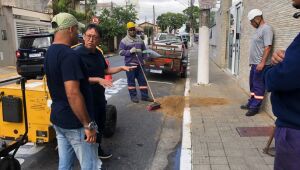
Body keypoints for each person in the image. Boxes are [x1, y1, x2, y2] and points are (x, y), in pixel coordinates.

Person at [44, 13, 101, 169]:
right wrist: (87, 125)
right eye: (77, 30)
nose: (78, 34)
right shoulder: (69, 55)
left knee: (65, 164)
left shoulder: (49, 52)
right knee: (89, 165)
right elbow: (73, 93)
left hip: (58, 118)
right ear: (70, 29)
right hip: (75, 123)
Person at [73, 24, 136, 159]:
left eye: (95, 37)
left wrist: (122, 68)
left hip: (99, 97)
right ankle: (88, 155)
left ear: (99, 39)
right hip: (85, 99)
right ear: (83, 37)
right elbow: (76, 79)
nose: (91, 39)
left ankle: (97, 148)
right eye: (89, 36)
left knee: (100, 124)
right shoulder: (76, 55)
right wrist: (98, 80)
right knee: (89, 126)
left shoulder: (98, 54)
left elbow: (105, 71)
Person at [264, 0, 300, 169]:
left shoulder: (265, 30)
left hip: (295, 133)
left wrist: (270, 68)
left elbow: (278, 79)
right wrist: (285, 59)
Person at [240, 9, 273, 116]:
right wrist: (252, 61)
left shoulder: (266, 29)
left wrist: (262, 63)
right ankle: (251, 103)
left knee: (258, 86)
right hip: (255, 64)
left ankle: (255, 107)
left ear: (257, 19)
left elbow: (268, 47)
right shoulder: (258, 29)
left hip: (261, 65)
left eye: (252, 22)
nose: (251, 24)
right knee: (253, 85)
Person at [119, 21, 154, 103]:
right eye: (130, 30)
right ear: (128, 30)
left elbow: (144, 50)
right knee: (131, 81)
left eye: (133, 29)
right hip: (130, 65)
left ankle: (144, 96)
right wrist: (129, 51)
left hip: (140, 64)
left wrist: (145, 58)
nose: (132, 31)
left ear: (135, 29)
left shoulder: (139, 39)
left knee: (143, 81)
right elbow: (120, 52)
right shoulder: (124, 41)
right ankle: (133, 96)